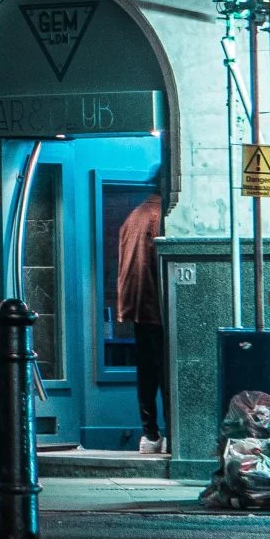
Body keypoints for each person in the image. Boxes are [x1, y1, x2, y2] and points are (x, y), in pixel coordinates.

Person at [115, 193, 167, 453]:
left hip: (138, 306)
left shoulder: (133, 216)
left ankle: (150, 433)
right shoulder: (161, 216)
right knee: (167, 374)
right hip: (159, 305)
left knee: (146, 373)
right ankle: (173, 435)